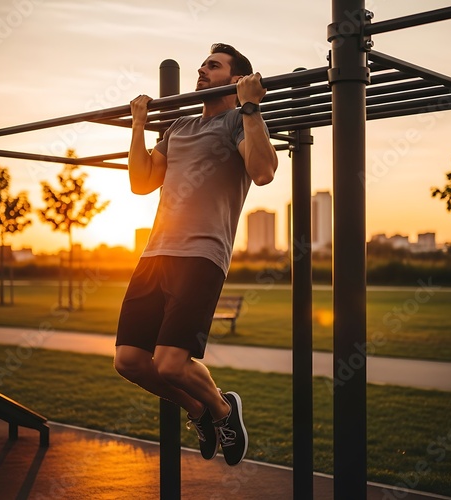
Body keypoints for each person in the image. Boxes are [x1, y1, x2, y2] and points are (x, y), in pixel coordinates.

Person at [114, 43, 278, 467]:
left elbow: (262, 172)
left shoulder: (237, 123)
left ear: (236, 77)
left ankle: (224, 409)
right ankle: (200, 409)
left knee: (170, 365)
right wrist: (138, 125)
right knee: (129, 360)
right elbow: (141, 182)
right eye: (202, 65)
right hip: (154, 255)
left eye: (213, 66)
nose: (202, 71)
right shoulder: (180, 128)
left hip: (201, 256)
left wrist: (251, 107)